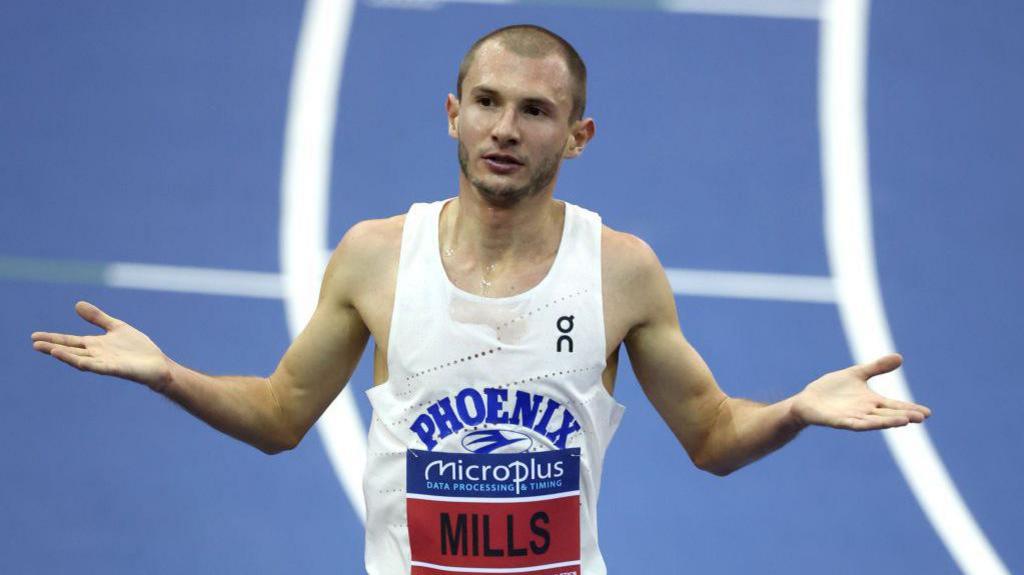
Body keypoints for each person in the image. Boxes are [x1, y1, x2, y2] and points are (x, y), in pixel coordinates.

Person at [31, 24, 931, 575]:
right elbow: (278, 415)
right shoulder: (376, 257)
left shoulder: (620, 270)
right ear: (451, 112)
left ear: (577, 137)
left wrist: (797, 412)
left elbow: (711, 439)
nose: (506, 129)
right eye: (488, 103)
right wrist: (167, 374)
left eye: (535, 112)